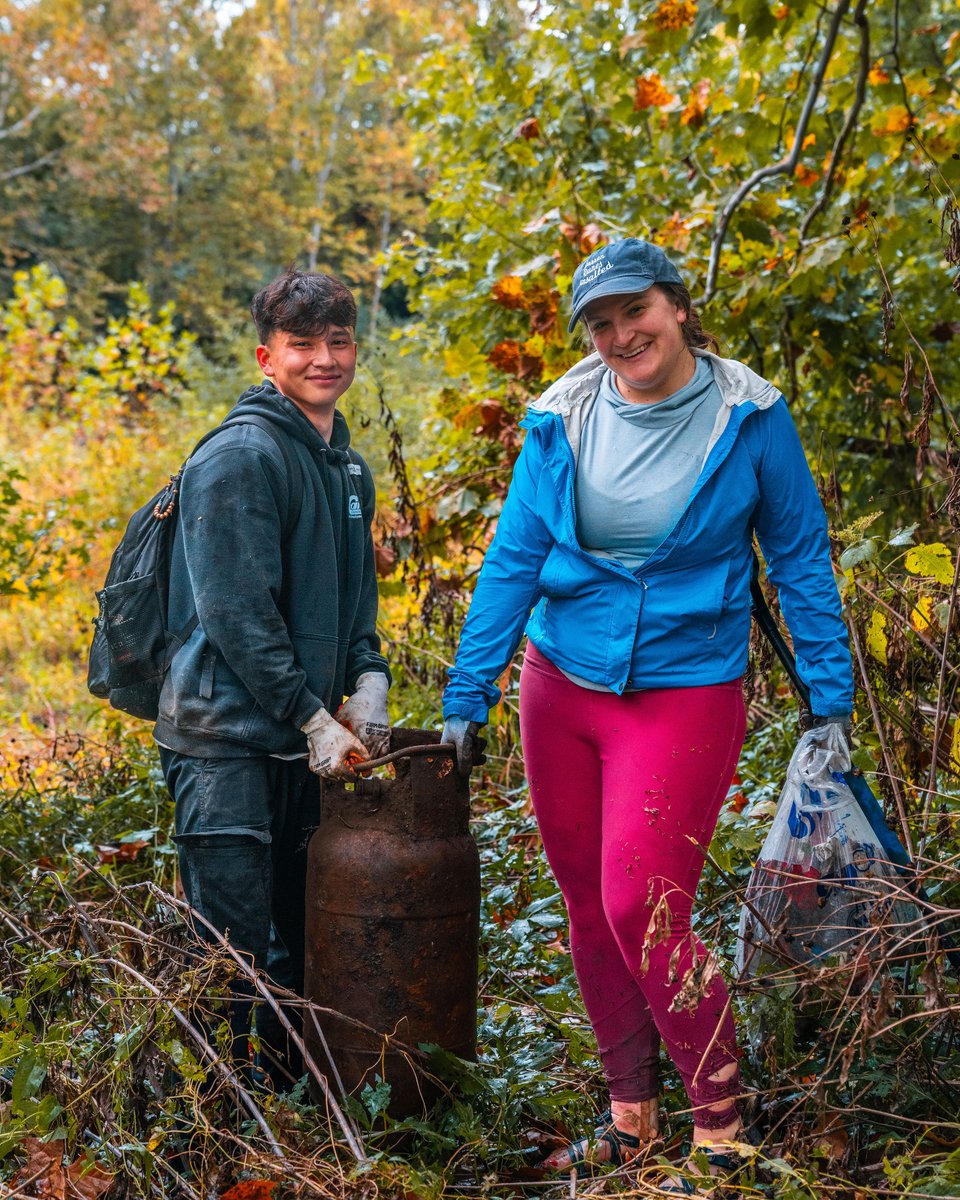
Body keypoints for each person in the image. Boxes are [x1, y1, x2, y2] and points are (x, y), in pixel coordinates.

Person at [442, 239, 853, 1189]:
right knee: (590, 909)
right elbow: (513, 559)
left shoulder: (749, 415)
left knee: (643, 903)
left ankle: (721, 1130)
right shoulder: (561, 417)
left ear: (676, 305)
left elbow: (799, 559)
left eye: (637, 311)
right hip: (561, 688)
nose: (623, 334)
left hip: (684, 692)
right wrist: (470, 693)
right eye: (602, 323)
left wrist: (828, 698)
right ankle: (633, 1116)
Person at [155, 268, 391, 1082]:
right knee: (229, 953)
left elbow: (357, 598)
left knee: (299, 937)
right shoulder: (239, 457)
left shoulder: (347, 469)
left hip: (296, 742)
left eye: (338, 341)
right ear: (267, 356)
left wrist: (368, 677)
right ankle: (212, 1129)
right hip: (222, 740)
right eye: (303, 345)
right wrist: (310, 715)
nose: (324, 359)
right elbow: (235, 615)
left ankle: (294, 1114)